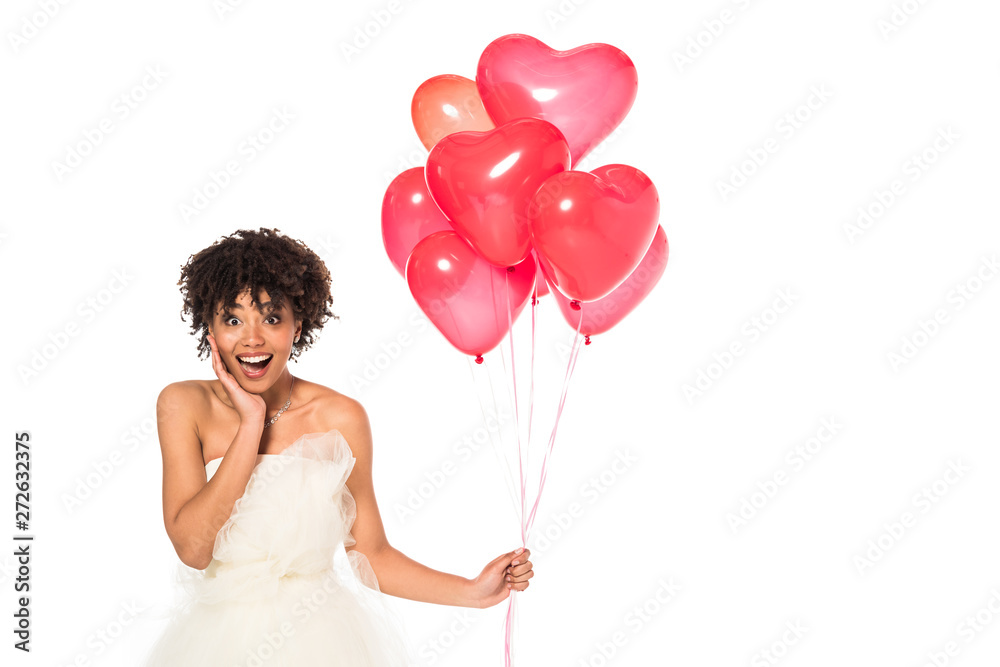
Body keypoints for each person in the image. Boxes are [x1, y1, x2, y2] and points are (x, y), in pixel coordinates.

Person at [142, 228, 533, 666]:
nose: (252, 339)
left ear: (298, 325)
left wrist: (474, 592)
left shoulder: (340, 417)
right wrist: (250, 424)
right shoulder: (183, 404)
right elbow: (194, 550)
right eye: (232, 320)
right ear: (210, 329)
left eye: (272, 319)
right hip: (217, 644)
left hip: (318, 640)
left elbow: (372, 555)